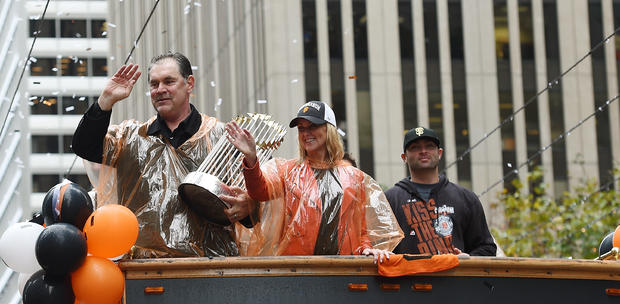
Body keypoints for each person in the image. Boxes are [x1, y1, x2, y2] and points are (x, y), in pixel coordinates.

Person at [72, 52, 254, 258]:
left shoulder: (224, 138)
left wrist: (249, 206)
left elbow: (257, 201)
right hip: (146, 272)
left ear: (189, 83)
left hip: (210, 269)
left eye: (169, 81)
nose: (160, 90)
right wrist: (105, 101)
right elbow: (84, 147)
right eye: (154, 84)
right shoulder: (130, 138)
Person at [226, 100, 403, 263]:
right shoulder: (287, 171)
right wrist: (251, 158)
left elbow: (360, 228)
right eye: (301, 128)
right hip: (299, 269)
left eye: (313, 126)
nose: (306, 133)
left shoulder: (354, 177)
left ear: (329, 129)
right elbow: (260, 192)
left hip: (342, 269)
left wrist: (367, 248)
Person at [384, 127, 496, 256]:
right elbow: (378, 248)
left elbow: (487, 248)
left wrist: (468, 259)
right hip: (407, 276)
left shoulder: (466, 198)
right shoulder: (389, 200)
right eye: (415, 147)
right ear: (404, 157)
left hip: (455, 276)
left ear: (440, 153)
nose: (423, 151)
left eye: (430, 146)